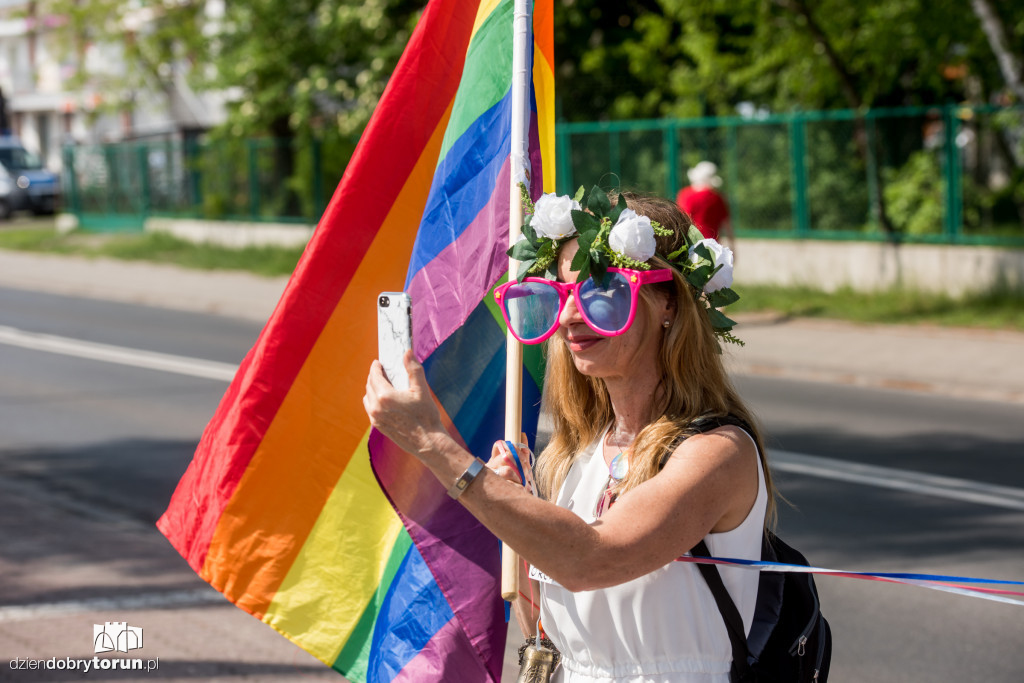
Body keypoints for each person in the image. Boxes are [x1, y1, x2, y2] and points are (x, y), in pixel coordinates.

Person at [364, 189, 777, 682]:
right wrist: (513, 510)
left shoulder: (717, 451)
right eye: (558, 295)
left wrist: (436, 446)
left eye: (602, 292)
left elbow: (592, 560)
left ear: (668, 302)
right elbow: (548, 632)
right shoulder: (574, 456)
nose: (569, 318)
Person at [676, 161, 735, 249]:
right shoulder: (717, 197)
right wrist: (732, 246)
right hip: (712, 244)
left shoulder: (685, 194)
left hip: (689, 242)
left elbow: (680, 220)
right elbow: (727, 225)